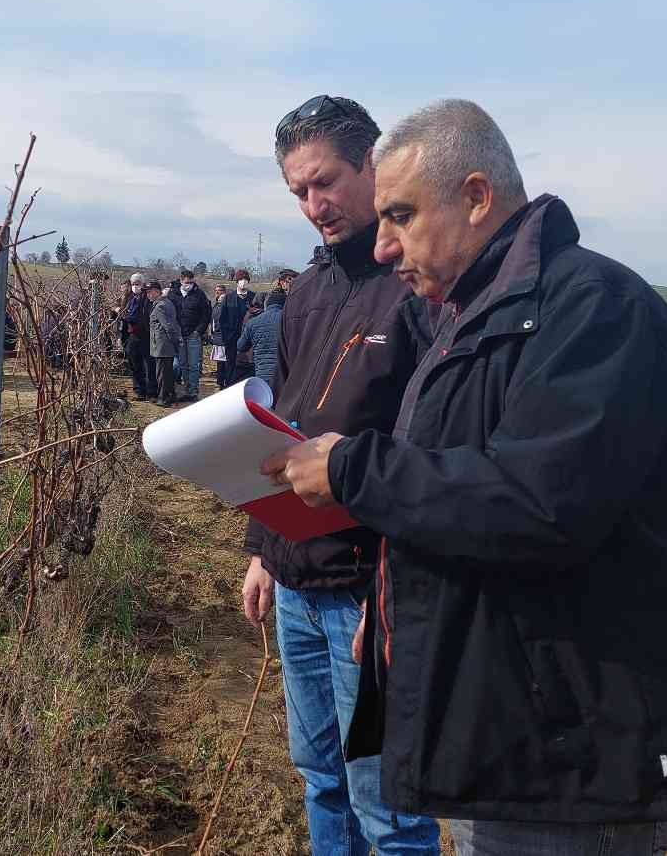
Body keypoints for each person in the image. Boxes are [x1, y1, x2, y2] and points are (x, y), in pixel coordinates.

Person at [259, 100, 667, 854]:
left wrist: (353, 468)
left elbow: (535, 503)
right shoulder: (479, 317)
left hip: (582, 758)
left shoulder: (593, 312)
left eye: (400, 214)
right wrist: (395, 601)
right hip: (515, 730)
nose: (384, 246)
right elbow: (459, 490)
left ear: (477, 196)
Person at [243, 94, 441, 855]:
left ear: (370, 166)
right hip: (296, 584)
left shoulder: (415, 291)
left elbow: (430, 450)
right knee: (320, 777)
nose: (312, 205)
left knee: (389, 806)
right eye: (297, 191)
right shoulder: (304, 294)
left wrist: (396, 593)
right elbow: (280, 431)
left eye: (324, 182)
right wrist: (264, 550)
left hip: (367, 590)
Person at [174, 269, 212, 400]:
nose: (188, 285)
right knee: (182, 364)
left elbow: (206, 314)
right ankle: (186, 388)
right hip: (179, 334)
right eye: (186, 282)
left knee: (194, 364)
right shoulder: (174, 294)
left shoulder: (199, 295)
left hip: (193, 335)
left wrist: (198, 331)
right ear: (181, 281)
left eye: (190, 282)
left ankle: (193, 391)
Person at [213, 270, 253, 389]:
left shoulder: (253, 297)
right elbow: (222, 319)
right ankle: (229, 386)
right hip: (231, 339)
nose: (243, 282)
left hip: (249, 339)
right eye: (241, 280)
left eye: (246, 280)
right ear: (237, 282)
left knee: (247, 364)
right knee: (230, 364)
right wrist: (226, 337)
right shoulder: (228, 298)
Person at [237, 287, 284, 388]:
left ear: (267, 304)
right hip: (283, 373)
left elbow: (241, 346)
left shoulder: (253, 322)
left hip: (262, 372)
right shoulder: (289, 320)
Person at [146, 280, 182, 406]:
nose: (148, 295)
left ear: (156, 292)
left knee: (162, 373)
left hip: (162, 345)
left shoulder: (160, 305)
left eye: (150, 292)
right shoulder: (167, 303)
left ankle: (163, 398)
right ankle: (170, 396)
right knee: (167, 372)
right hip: (166, 345)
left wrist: (174, 341)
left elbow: (168, 326)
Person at [121, 274, 155, 400]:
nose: (135, 286)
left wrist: (127, 317)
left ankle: (151, 391)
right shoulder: (131, 298)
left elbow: (142, 317)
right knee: (134, 363)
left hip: (145, 335)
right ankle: (139, 390)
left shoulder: (146, 298)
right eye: (133, 283)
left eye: (138, 283)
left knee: (149, 364)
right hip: (133, 335)